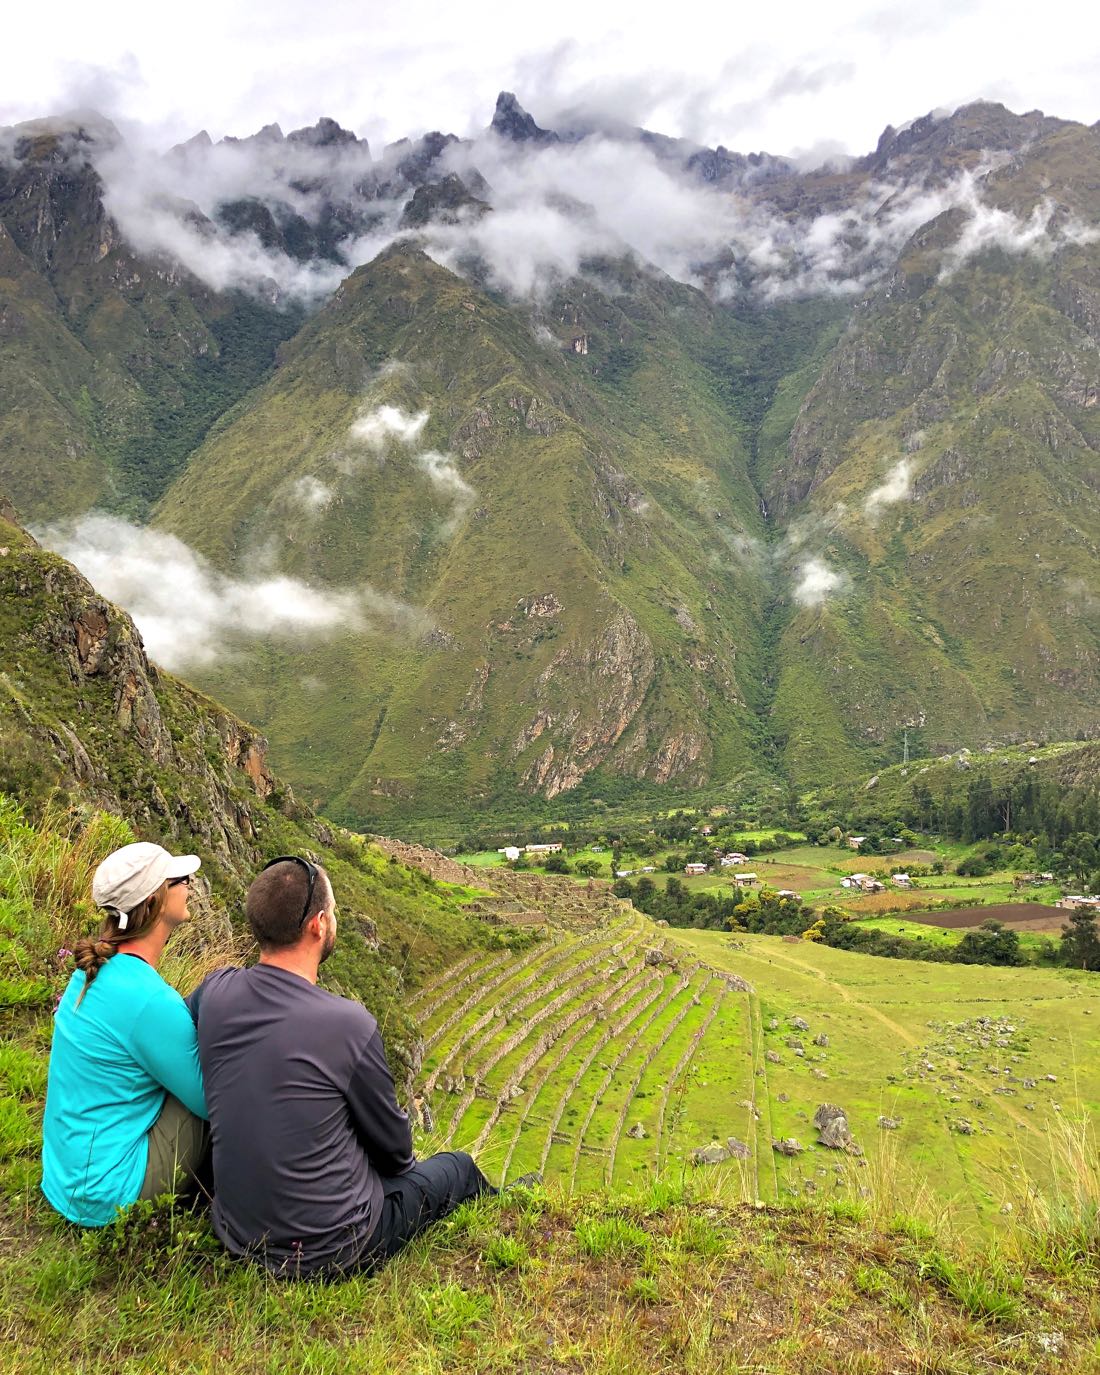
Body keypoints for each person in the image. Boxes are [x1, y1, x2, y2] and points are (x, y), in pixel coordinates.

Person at [190, 855, 497, 1278]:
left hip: (238, 1232)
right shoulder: (349, 1024)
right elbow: (396, 1155)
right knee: (458, 1168)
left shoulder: (215, 993)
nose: (334, 920)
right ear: (318, 925)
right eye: (333, 912)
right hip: (333, 1248)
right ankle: (507, 1210)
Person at [42, 841, 210, 1226]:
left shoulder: (89, 973)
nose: (190, 884)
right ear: (155, 901)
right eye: (181, 879)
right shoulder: (148, 999)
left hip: (69, 1177)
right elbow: (208, 1099)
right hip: (110, 1191)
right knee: (220, 1090)